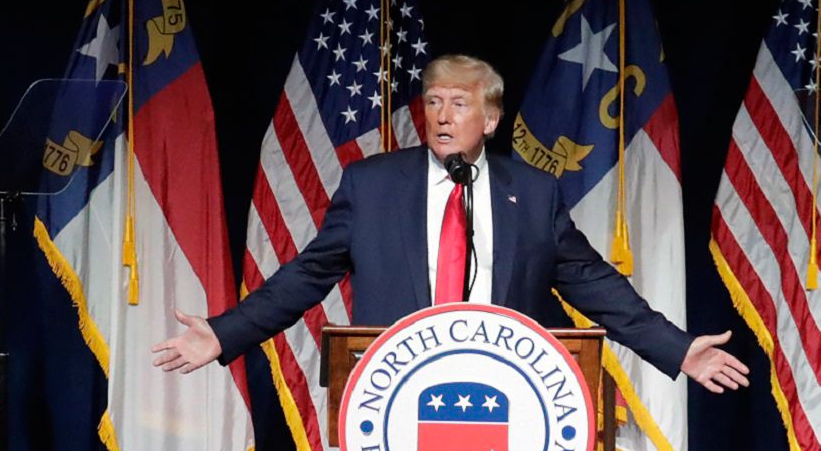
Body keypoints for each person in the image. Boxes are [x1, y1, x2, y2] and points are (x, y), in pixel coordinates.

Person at [152, 54, 749, 394]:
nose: (442, 116)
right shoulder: (374, 186)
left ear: (490, 119)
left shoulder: (533, 194)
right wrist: (226, 333)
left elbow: (595, 286)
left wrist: (678, 348)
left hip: (503, 394)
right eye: (434, 101)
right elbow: (306, 277)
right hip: (394, 394)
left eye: (459, 104)